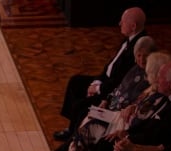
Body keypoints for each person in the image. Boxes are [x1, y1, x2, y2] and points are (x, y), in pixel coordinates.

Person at [53, 7, 148, 141]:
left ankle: (73, 134)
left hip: (110, 89)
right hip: (105, 81)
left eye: (123, 21)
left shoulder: (138, 47)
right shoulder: (129, 39)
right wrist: (96, 81)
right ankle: (71, 127)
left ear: (133, 26)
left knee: (81, 105)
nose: (119, 24)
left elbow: (119, 80)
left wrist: (98, 89)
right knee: (75, 81)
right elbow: (111, 65)